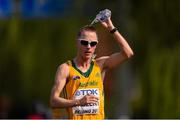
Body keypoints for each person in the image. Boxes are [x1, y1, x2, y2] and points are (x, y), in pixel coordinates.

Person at [50, 15, 134, 119]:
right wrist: (79, 102)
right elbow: (54, 101)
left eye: (93, 43)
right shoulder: (65, 68)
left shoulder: (100, 65)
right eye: (84, 42)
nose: (89, 47)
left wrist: (111, 28)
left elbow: (128, 53)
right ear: (77, 42)